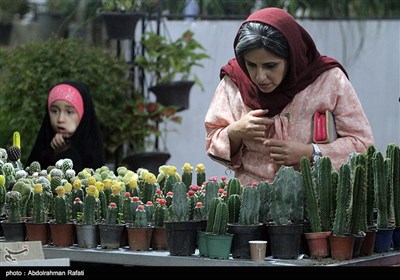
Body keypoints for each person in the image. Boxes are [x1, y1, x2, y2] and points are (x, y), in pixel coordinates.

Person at [205, 7, 374, 185]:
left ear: (292, 57)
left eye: (271, 66)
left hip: (315, 199)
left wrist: (310, 152)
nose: (260, 76)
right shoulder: (235, 82)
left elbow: (363, 144)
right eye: (251, 65)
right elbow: (212, 138)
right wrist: (235, 132)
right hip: (250, 200)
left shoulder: (328, 80)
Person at [27, 81, 105, 172]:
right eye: (54, 111)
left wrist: (66, 154)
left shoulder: (92, 151)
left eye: (69, 112)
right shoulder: (42, 147)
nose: (60, 119)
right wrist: (52, 154)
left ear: (82, 114)